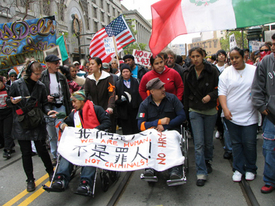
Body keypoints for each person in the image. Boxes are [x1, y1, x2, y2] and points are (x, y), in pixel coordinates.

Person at [7, 59, 54, 192]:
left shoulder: (41, 86)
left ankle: (51, 172)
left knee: (42, 149)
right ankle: (30, 179)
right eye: (36, 74)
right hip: (21, 122)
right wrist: (12, 101)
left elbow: (44, 103)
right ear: (28, 72)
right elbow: (8, 101)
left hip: (37, 121)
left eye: (40, 74)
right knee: (26, 153)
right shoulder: (16, 85)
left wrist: (49, 111)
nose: (38, 77)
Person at [51, 90, 111, 195]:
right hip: (80, 143)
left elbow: (107, 122)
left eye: (74, 102)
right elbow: (65, 122)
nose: (73, 104)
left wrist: (95, 130)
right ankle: (61, 178)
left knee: (90, 155)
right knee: (67, 152)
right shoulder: (75, 114)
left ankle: (85, 183)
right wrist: (62, 125)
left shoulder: (97, 109)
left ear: (82, 100)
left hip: (94, 142)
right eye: (72, 102)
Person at [219, 47, 258, 182]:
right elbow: (222, 93)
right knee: (236, 143)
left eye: (237, 57)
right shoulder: (226, 73)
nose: (234, 60)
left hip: (250, 115)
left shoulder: (254, 71)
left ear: (244, 57)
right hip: (232, 116)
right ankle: (238, 169)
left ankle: (251, 168)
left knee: (249, 143)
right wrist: (225, 109)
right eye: (232, 58)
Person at [137, 77, 186, 179]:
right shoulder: (145, 104)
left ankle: (175, 168)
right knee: (150, 139)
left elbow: (182, 116)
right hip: (154, 132)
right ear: (152, 92)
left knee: (172, 139)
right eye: (160, 88)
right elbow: (140, 125)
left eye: (163, 86)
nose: (163, 89)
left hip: (171, 130)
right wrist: (158, 122)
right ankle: (150, 167)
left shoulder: (172, 99)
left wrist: (165, 125)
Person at [183, 47, 219, 187]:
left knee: (208, 141)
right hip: (194, 110)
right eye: (193, 56)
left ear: (203, 56)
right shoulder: (188, 73)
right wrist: (186, 113)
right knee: (198, 143)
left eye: (198, 56)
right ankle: (201, 172)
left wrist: (211, 96)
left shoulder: (212, 70)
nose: (195, 59)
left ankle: (207, 160)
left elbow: (220, 89)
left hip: (210, 110)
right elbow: (185, 95)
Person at [251, 33, 275, 194]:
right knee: (269, 148)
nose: (273, 47)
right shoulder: (266, 62)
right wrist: (262, 107)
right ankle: (270, 180)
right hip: (271, 116)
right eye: (273, 43)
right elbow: (257, 88)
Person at [40, 54, 72, 165]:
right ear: (48, 64)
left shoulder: (61, 77)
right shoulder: (42, 77)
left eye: (58, 63)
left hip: (60, 107)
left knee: (61, 129)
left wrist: (69, 109)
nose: (57, 65)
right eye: (55, 63)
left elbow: (67, 94)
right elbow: (38, 94)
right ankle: (54, 155)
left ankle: (61, 154)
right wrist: (46, 98)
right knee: (51, 133)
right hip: (48, 108)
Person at [84, 57, 116, 132]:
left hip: (106, 109)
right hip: (93, 111)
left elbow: (112, 93)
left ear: (99, 65)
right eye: (89, 64)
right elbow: (86, 93)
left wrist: (110, 107)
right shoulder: (88, 79)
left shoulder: (108, 77)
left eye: (93, 64)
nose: (90, 66)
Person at [116, 64, 142, 135]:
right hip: (124, 111)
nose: (126, 73)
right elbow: (116, 97)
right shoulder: (118, 84)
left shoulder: (136, 82)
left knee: (136, 131)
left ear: (130, 72)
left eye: (127, 71)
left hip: (134, 110)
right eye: (124, 72)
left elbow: (139, 95)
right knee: (126, 132)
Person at [0, 76, 15, 159]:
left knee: (7, 132)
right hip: (0, 113)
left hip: (8, 113)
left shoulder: (8, 89)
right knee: (2, 132)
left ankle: (7, 150)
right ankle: (10, 144)